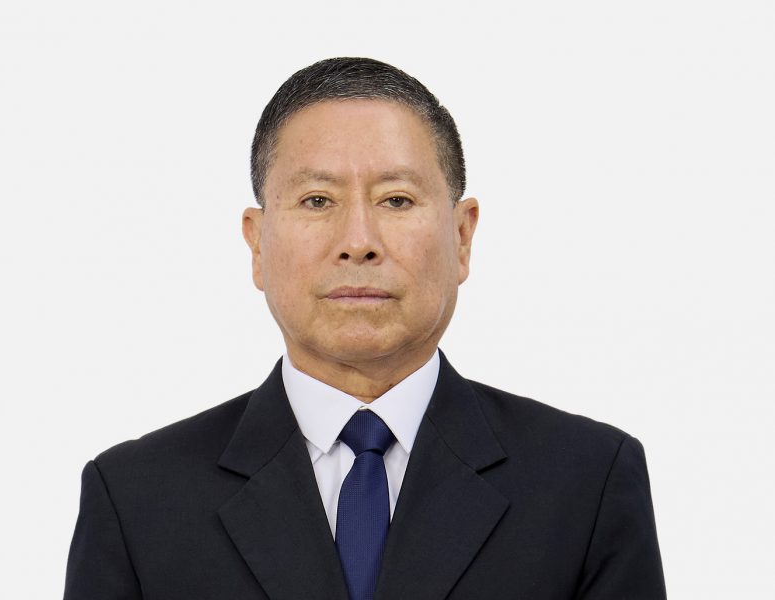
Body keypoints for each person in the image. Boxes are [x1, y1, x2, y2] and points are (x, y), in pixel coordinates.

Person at [64, 57, 666, 600]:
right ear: (257, 243)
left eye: (396, 200)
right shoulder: (136, 498)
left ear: (461, 236)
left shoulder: (587, 482)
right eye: (317, 200)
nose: (358, 242)